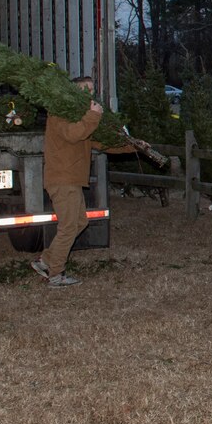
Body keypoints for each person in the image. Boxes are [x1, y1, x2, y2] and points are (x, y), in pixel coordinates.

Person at [30, 76, 134, 288]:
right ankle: (56, 275)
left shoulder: (81, 119)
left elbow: (99, 143)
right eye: (84, 89)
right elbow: (73, 134)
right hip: (62, 179)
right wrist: (93, 116)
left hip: (72, 180)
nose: (89, 93)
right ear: (72, 91)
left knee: (79, 223)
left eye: (92, 89)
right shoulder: (60, 113)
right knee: (69, 227)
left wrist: (132, 146)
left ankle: (45, 262)